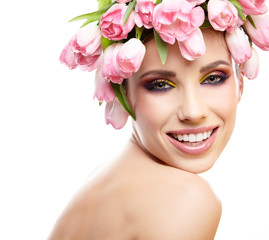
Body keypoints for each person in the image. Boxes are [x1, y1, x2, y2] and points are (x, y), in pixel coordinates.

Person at [48, 0, 269, 239]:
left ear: (240, 82)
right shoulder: (187, 198)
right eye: (161, 85)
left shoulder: (98, 182)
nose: (193, 112)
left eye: (213, 78)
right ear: (122, 94)